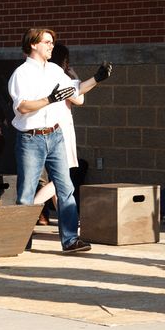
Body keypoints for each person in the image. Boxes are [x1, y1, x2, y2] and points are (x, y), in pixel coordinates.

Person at [8, 28, 112, 253]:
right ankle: (20, 241)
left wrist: (97, 79)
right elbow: (23, 106)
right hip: (30, 138)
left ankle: (70, 240)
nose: (51, 46)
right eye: (46, 42)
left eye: (52, 42)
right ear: (33, 45)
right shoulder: (21, 74)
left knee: (65, 188)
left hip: (55, 135)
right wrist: (49, 99)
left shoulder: (55, 70)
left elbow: (75, 92)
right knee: (26, 193)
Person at [33, 43, 95, 215]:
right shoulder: (61, 77)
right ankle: (31, 208)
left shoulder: (42, 75)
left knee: (57, 178)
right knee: (61, 179)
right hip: (61, 132)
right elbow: (79, 99)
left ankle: (64, 219)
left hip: (46, 130)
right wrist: (75, 77)